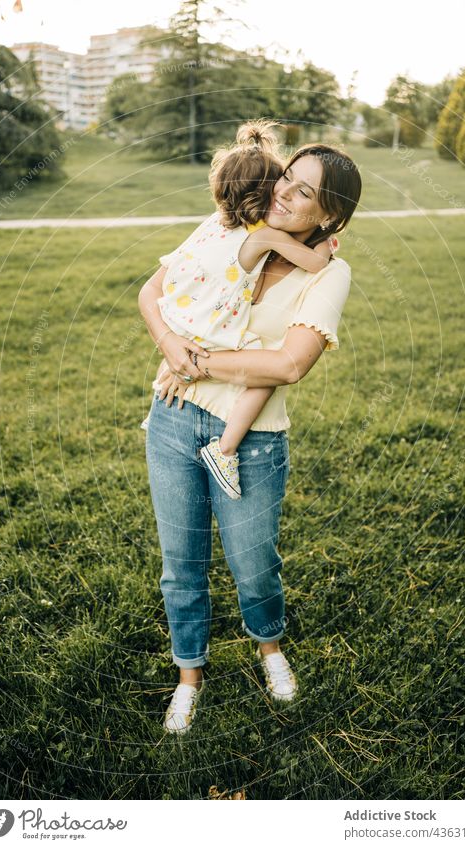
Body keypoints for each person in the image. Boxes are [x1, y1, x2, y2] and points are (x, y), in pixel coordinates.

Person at [138, 137, 362, 734]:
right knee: (180, 563)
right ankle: (189, 676)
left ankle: (269, 647)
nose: (284, 192)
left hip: (254, 438)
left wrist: (197, 358)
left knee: (253, 564)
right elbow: (154, 292)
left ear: (329, 216)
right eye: (286, 178)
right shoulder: (232, 224)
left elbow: (288, 365)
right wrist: (169, 346)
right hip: (172, 416)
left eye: (304, 191)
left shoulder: (330, 273)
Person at [153, 120, 337, 500]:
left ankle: (219, 443)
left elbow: (157, 285)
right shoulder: (264, 235)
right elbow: (316, 263)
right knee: (264, 360)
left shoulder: (216, 224)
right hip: (212, 327)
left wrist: (175, 349)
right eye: (280, 184)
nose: (282, 195)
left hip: (183, 315)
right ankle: (226, 449)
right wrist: (324, 246)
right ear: (266, 192)